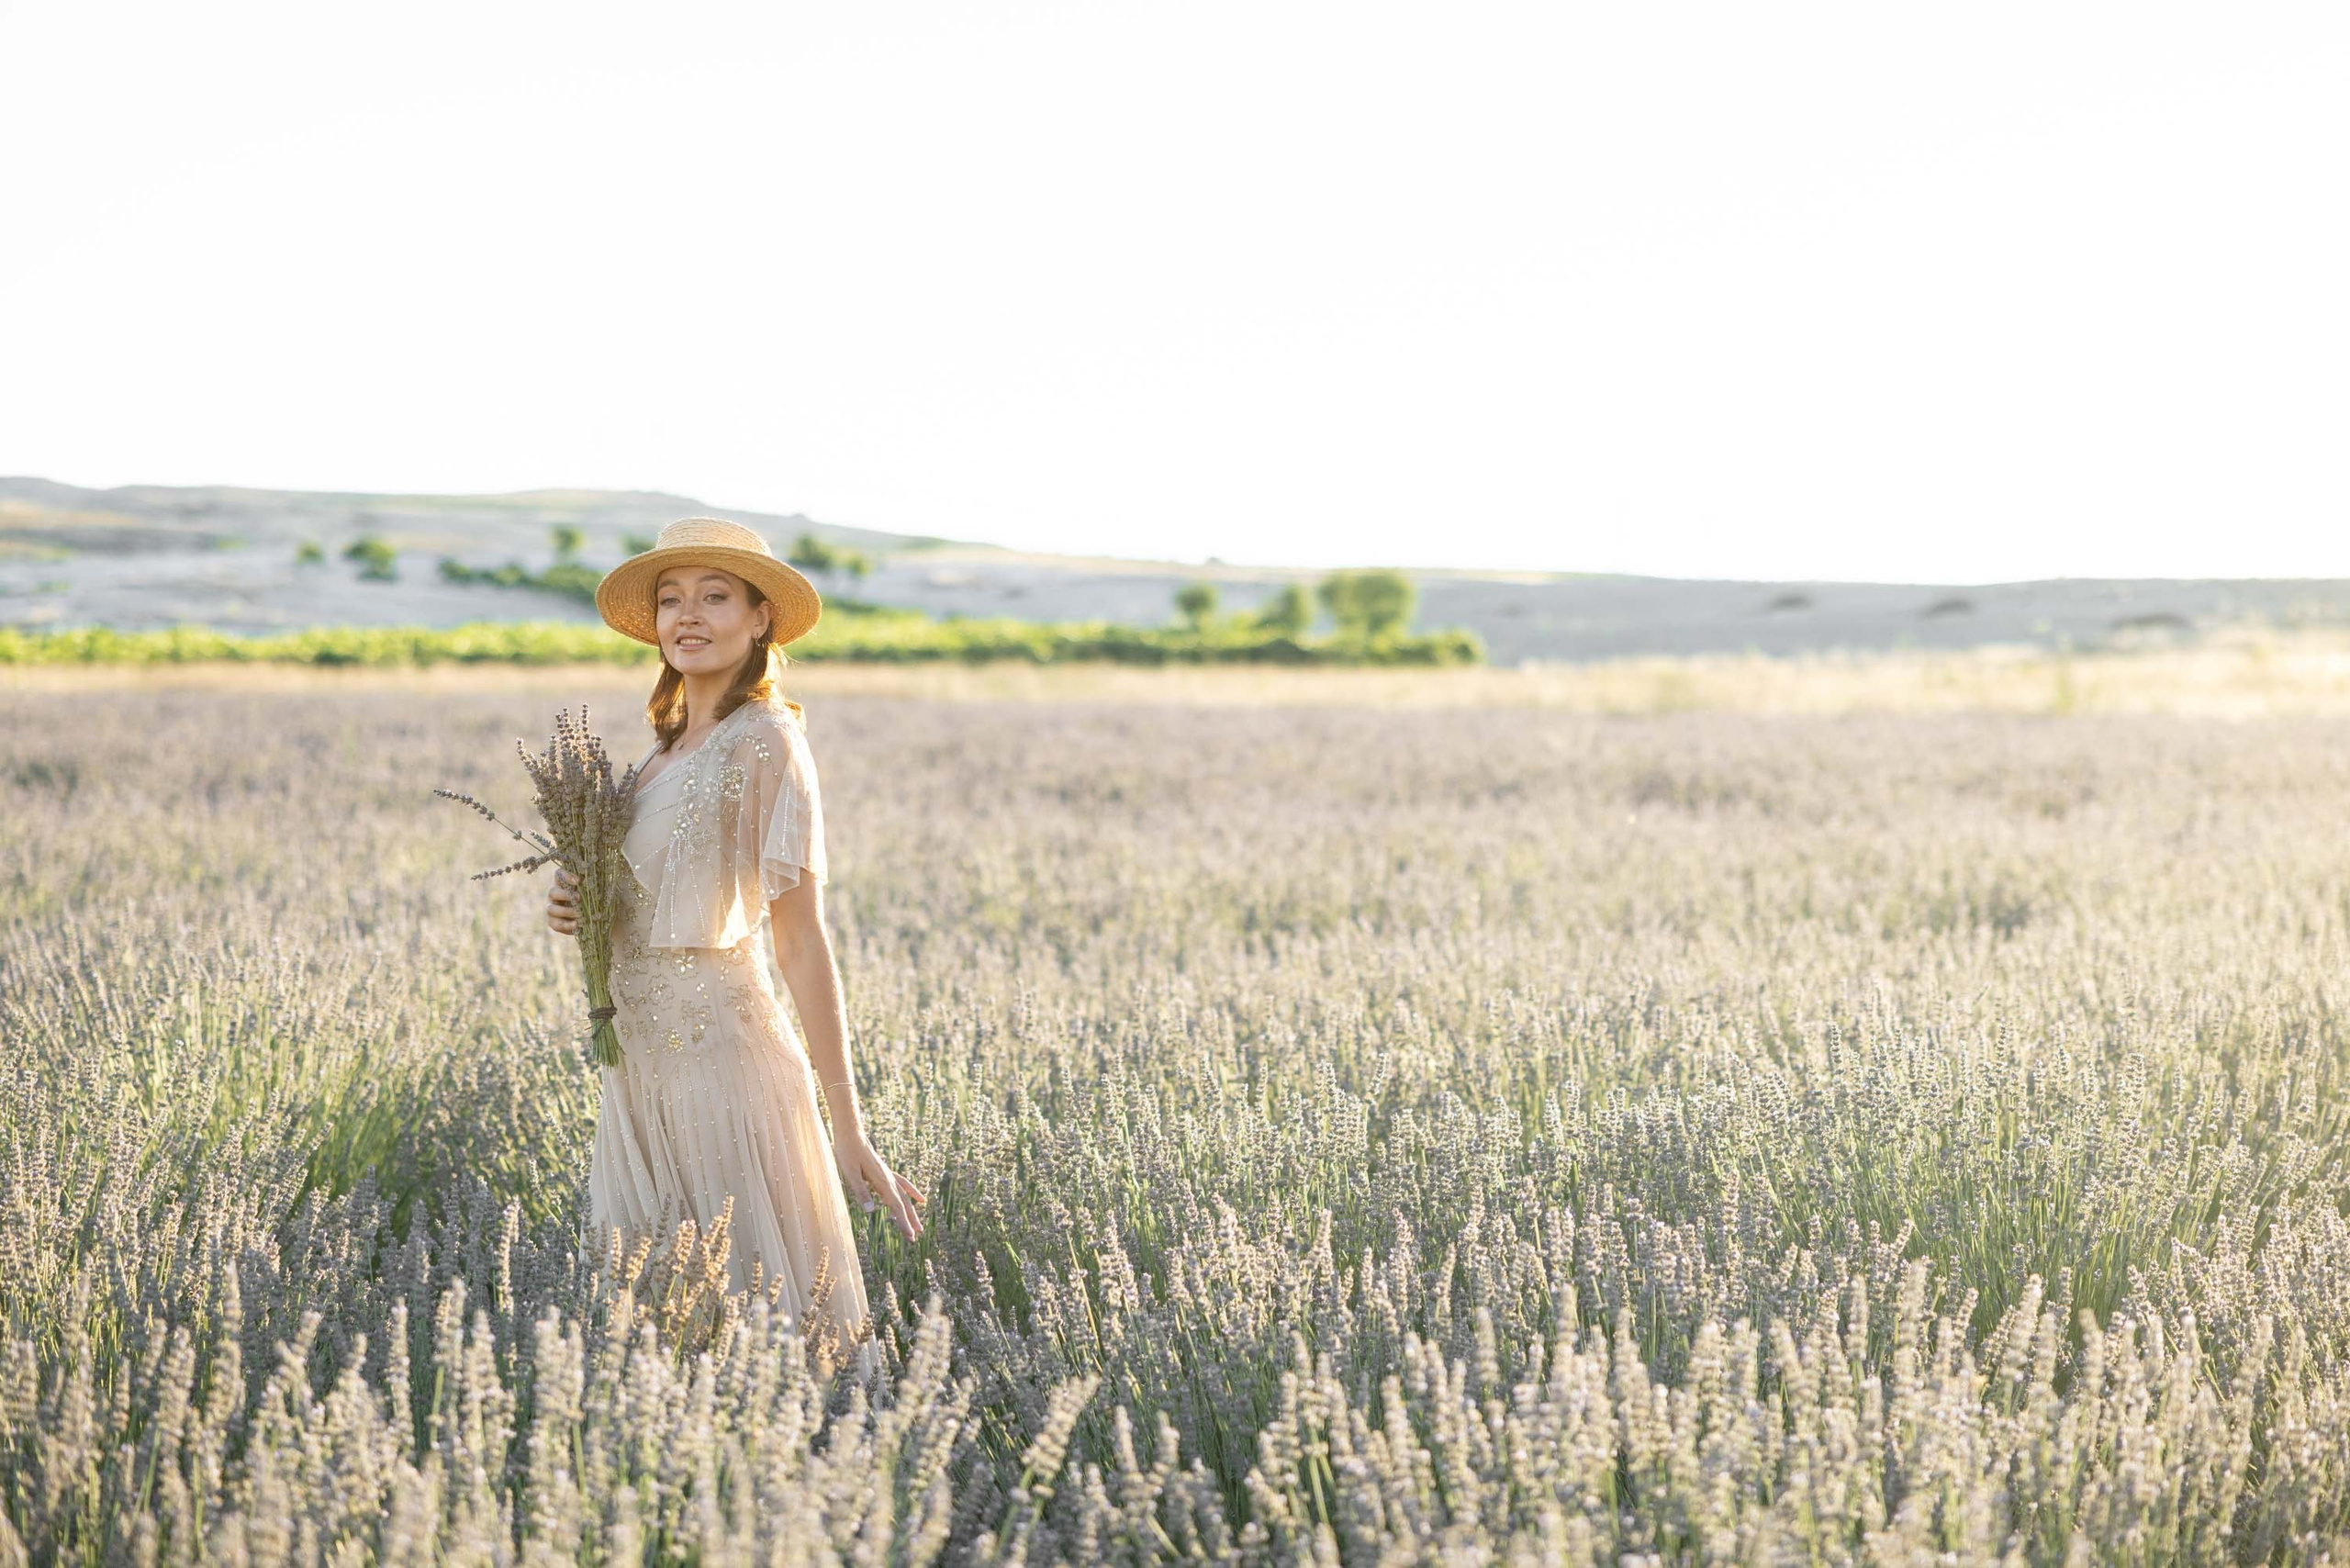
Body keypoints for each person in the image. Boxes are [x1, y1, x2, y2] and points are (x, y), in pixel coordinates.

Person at [545, 515, 923, 1361]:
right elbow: (650, 901)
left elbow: (800, 941)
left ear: (760, 620)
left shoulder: (767, 743)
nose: (689, 615)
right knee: (651, 1333)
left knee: (754, 1329)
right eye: (672, 599)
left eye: (716, 597)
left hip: (724, 1066)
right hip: (639, 1073)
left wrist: (847, 1127)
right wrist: (579, 903)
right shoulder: (661, 752)